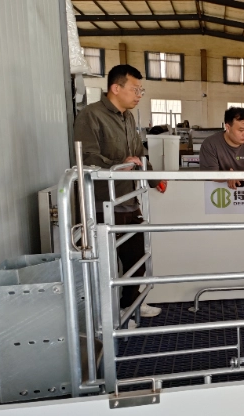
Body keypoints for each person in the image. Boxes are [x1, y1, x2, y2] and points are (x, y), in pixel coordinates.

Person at [73, 64, 165, 323]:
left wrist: (154, 178)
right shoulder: (91, 116)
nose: (139, 95)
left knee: (137, 256)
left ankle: (129, 305)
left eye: (141, 90)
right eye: (135, 89)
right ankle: (105, 317)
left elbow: (139, 154)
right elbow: (87, 158)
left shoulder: (129, 118)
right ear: (116, 88)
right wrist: (119, 165)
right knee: (104, 263)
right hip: (102, 202)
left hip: (128, 198)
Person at [200, 107, 244, 189]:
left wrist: (241, 179)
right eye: (241, 130)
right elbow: (210, 175)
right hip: (217, 192)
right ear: (228, 127)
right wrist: (227, 176)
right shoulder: (210, 144)